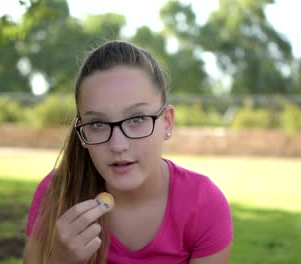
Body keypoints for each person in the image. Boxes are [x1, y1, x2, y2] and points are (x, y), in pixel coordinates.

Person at [23, 40, 233, 264]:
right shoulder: (58, 192)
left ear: (167, 123)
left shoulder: (203, 203)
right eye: (97, 124)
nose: (118, 145)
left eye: (137, 119)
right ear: (82, 133)